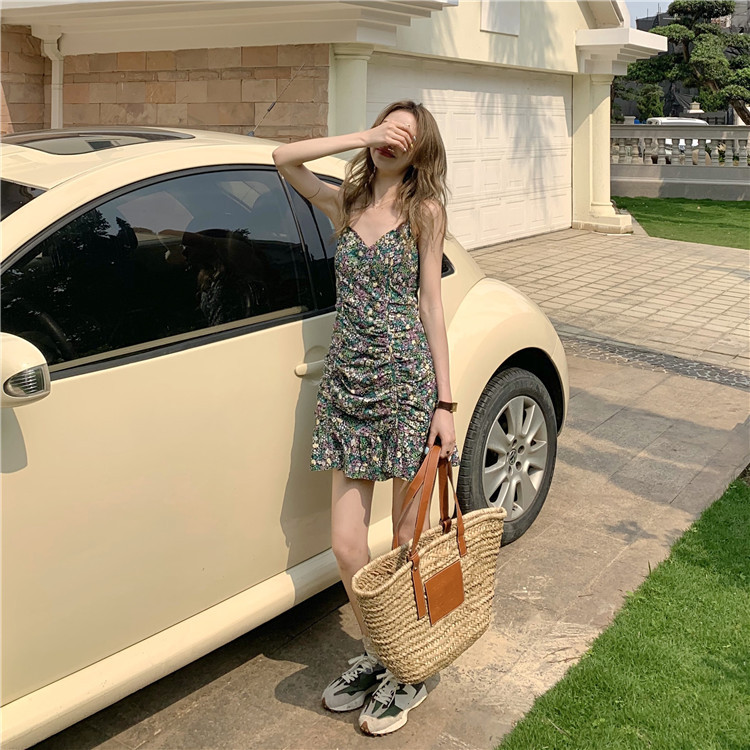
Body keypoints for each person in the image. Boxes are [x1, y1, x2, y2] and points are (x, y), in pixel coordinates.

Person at [272, 100, 458, 736]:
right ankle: (381, 652)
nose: (392, 139)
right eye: (387, 127)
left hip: (406, 384)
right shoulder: (345, 204)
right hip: (348, 385)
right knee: (348, 545)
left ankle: (410, 668)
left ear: (420, 150)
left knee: (406, 542)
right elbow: (283, 159)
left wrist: (446, 403)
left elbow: (431, 304)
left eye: (405, 134)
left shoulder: (424, 212)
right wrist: (360, 135)